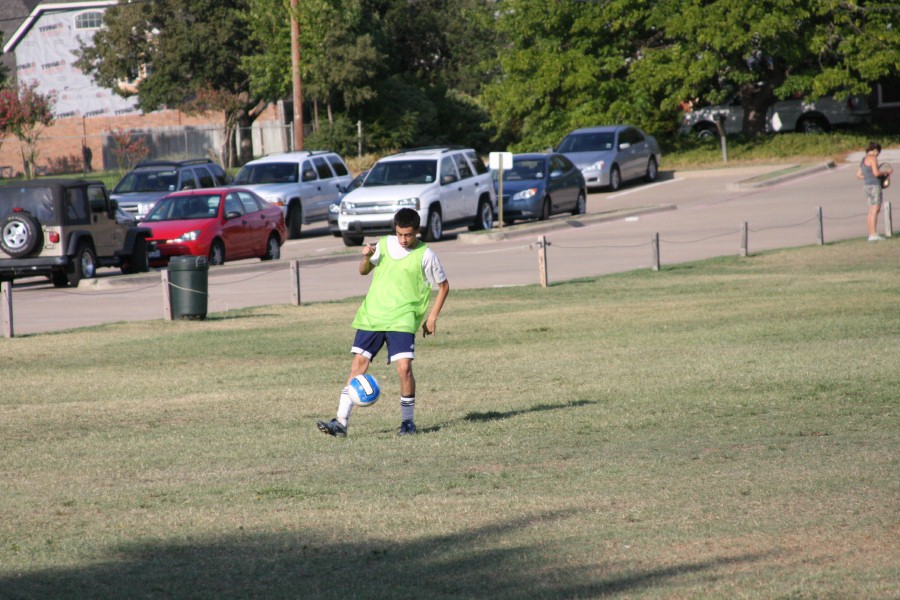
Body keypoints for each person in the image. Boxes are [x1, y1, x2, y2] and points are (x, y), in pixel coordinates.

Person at [317, 208, 450, 437]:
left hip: (403, 318)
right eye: (399, 234)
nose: (403, 239)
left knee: (404, 368)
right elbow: (363, 271)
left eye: (408, 235)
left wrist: (432, 317)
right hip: (374, 315)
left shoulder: (426, 255)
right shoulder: (385, 244)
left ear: (417, 231)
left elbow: (444, 286)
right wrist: (366, 257)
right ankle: (340, 422)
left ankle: (408, 423)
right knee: (358, 365)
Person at [856, 141, 892, 241]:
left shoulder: (863, 160)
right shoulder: (872, 158)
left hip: (867, 186)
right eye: (878, 152)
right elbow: (876, 173)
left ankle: (871, 233)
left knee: (871, 210)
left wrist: (868, 176)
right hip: (874, 186)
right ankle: (873, 234)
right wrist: (886, 172)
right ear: (875, 150)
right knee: (875, 210)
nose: (878, 154)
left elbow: (858, 175)